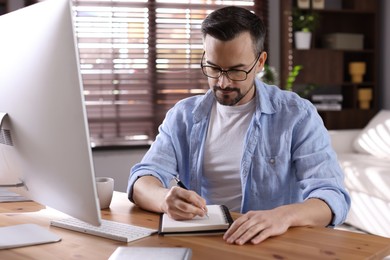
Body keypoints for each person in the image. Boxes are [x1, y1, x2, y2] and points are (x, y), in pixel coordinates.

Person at [127, 6, 350, 245]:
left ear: (260, 62)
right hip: (203, 242)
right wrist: (164, 199)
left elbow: (331, 196)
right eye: (213, 68)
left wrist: (282, 217)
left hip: (271, 245)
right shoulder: (183, 116)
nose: (223, 82)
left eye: (236, 71)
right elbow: (142, 179)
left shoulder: (297, 115)